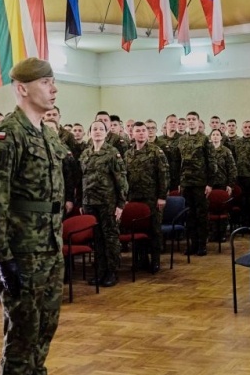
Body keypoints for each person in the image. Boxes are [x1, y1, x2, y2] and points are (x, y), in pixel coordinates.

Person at [0, 57, 77, 375]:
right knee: (22, 330)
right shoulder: (7, 135)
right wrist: (3, 259)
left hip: (49, 246)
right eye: (46, 83)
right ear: (22, 88)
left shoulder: (47, 134)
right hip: (22, 251)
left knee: (45, 326)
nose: (53, 89)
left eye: (54, 82)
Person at [80, 120, 127, 287]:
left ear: (106, 133)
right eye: (94, 129)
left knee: (110, 238)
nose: (98, 131)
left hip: (108, 202)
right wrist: (81, 201)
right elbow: (82, 179)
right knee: (97, 239)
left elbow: (121, 180)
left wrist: (121, 204)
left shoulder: (113, 153)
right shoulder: (85, 154)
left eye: (101, 129)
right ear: (90, 133)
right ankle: (100, 271)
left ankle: (112, 272)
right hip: (90, 202)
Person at [124, 121, 169, 273]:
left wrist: (162, 196)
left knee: (154, 230)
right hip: (134, 197)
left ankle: (155, 261)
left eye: (144, 130)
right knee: (136, 228)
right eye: (138, 131)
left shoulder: (156, 151)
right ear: (133, 133)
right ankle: (140, 260)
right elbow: (124, 177)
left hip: (152, 197)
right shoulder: (128, 153)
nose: (142, 133)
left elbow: (163, 175)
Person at [178, 111, 212, 257]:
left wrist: (210, 183)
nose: (191, 121)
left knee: (201, 215)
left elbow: (211, 162)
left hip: (200, 182)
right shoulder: (182, 139)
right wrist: (180, 182)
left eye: (193, 119)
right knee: (190, 215)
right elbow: (179, 162)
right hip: (186, 182)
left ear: (198, 122)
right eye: (189, 119)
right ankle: (192, 244)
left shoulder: (204, 139)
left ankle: (202, 245)